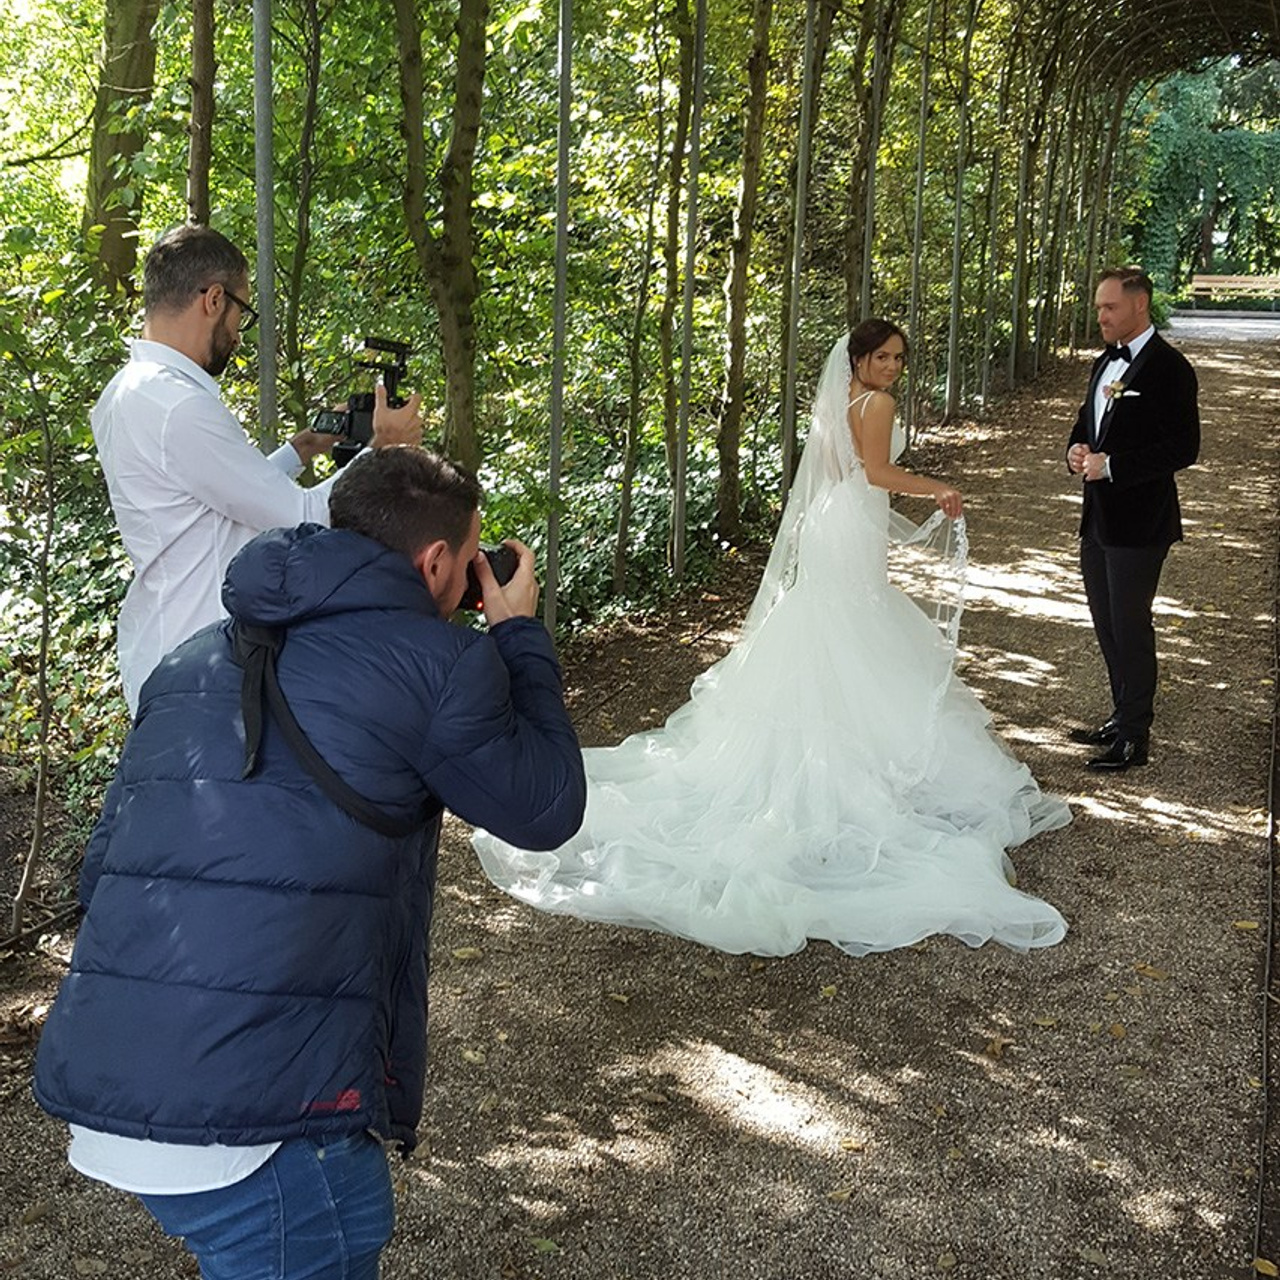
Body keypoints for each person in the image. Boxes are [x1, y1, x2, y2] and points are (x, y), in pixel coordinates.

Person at [34, 446, 587, 1280]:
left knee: (314, 1229)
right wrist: (516, 633)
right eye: (471, 558)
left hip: (117, 1079)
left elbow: (101, 865)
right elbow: (547, 807)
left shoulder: (189, 660)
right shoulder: (439, 665)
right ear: (439, 563)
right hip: (259, 1120)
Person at [473, 320, 1070, 958]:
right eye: (884, 357)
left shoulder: (843, 397)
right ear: (860, 359)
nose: (894, 367)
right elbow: (875, 471)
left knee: (836, 623)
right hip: (849, 519)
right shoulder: (879, 403)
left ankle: (842, 741)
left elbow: (852, 470)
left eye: (900, 357)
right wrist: (938, 489)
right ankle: (861, 760)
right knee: (855, 625)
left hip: (832, 521)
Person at [93, 223, 425, 713]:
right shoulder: (178, 407)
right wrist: (383, 449)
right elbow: (301, 515)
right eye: (241, 313)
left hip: (164, 642)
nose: (237, 334)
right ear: (213, 299)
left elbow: (214, 502)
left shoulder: (127, 391)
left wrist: (300, 449)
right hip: (201, 666)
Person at [1066, 267, 1200, 772]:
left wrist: (1114, 466)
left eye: (1109, 307)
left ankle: (1134, 738)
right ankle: (1121, 714)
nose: (1100, 315)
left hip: (1141, 522)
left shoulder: (1171, 369)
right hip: (1097, 518)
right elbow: (1086, 424)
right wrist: (1076, 451)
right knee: (1105, 623)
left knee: (1131, 625)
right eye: (1099, 306)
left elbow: (1184, 447)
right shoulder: (1104, 361)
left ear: (1139, 305)